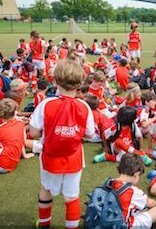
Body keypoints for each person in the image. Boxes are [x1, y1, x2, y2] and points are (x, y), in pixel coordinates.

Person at [29, 59, 95, 229]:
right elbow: (89, 133)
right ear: (80, 83)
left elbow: (34, 132)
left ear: (55, 81)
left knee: (46, 189)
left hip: (50, 156)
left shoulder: (46, 104)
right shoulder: (84, 106)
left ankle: (44, 223)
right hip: (73, 158)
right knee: (71, 197)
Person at [109, 153, 156, 228]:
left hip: (105, 220)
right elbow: (151, 203)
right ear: (136, 174)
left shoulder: (109, 182)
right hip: (122, 225)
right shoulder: (132, 191)